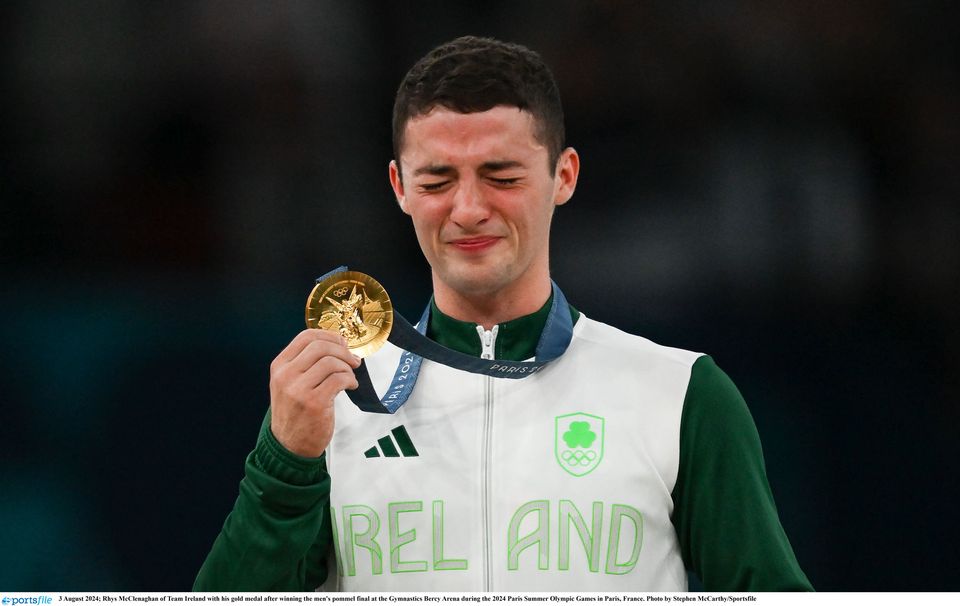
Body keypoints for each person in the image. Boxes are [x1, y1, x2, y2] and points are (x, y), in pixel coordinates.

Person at [194, 35, 812, 592]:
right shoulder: (329, 403)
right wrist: (285, 464)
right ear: (398, 188)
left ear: (562, 176)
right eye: (437, 181)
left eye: (501, 176)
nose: (467, 209)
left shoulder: (680, 394)